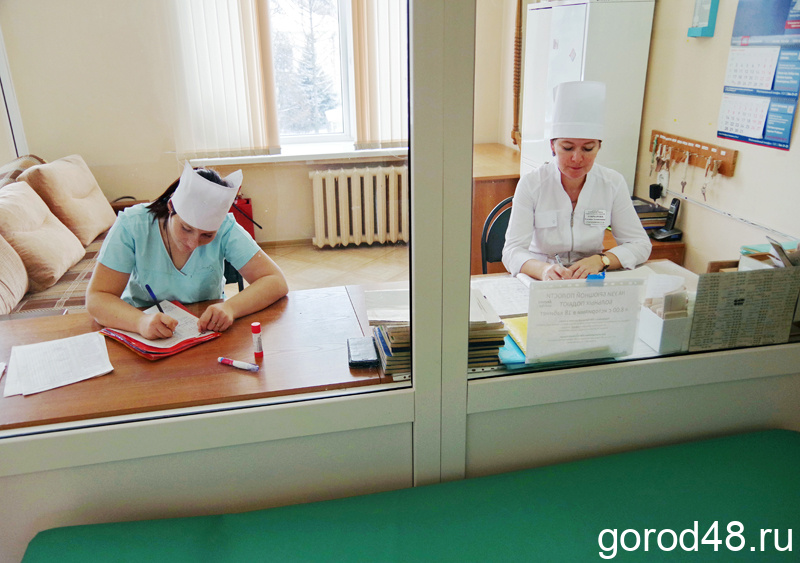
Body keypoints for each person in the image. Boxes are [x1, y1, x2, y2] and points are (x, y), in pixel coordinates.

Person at [87, 163, 288, 339]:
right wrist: (140, 322)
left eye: (207, 235)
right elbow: (97, 298)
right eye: (186, 228)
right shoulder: (132, 225)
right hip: (144, 330)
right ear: (171, 206)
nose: (192, 243)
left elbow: (275, 281)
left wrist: (230, 307)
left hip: (205, 330)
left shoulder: (226, 228)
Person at [502, 81, 652, 280]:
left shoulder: (612, 183)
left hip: (591, 278)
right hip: (542, 279)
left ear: (599, 147)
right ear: (553, 146)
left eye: (588, 149)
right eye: (567, 148)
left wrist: (602, 260)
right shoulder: (532, 184)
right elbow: (511, 251)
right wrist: (544, 270)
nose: (577, 158)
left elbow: (640, 245)